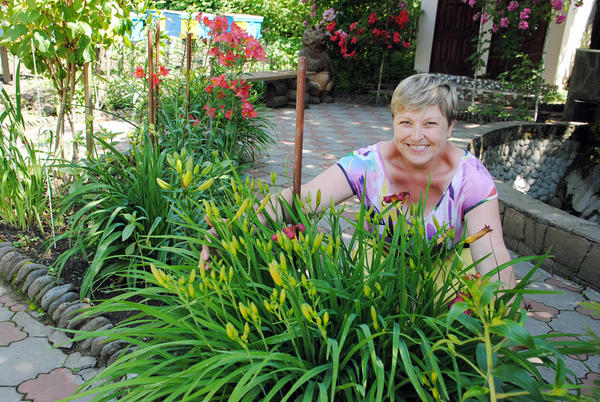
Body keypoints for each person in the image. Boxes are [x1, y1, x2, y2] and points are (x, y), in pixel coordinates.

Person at [202, 73, 516, 289]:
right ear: (393, 123)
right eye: (405, 122)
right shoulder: (369, 164)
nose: (416, 136)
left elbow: (492, 253)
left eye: (430, 123)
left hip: (445, 274)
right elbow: (303, 198)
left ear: (450, 129)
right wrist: (238, 227)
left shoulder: (471, 178)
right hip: (375, 264)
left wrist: (501, 312)